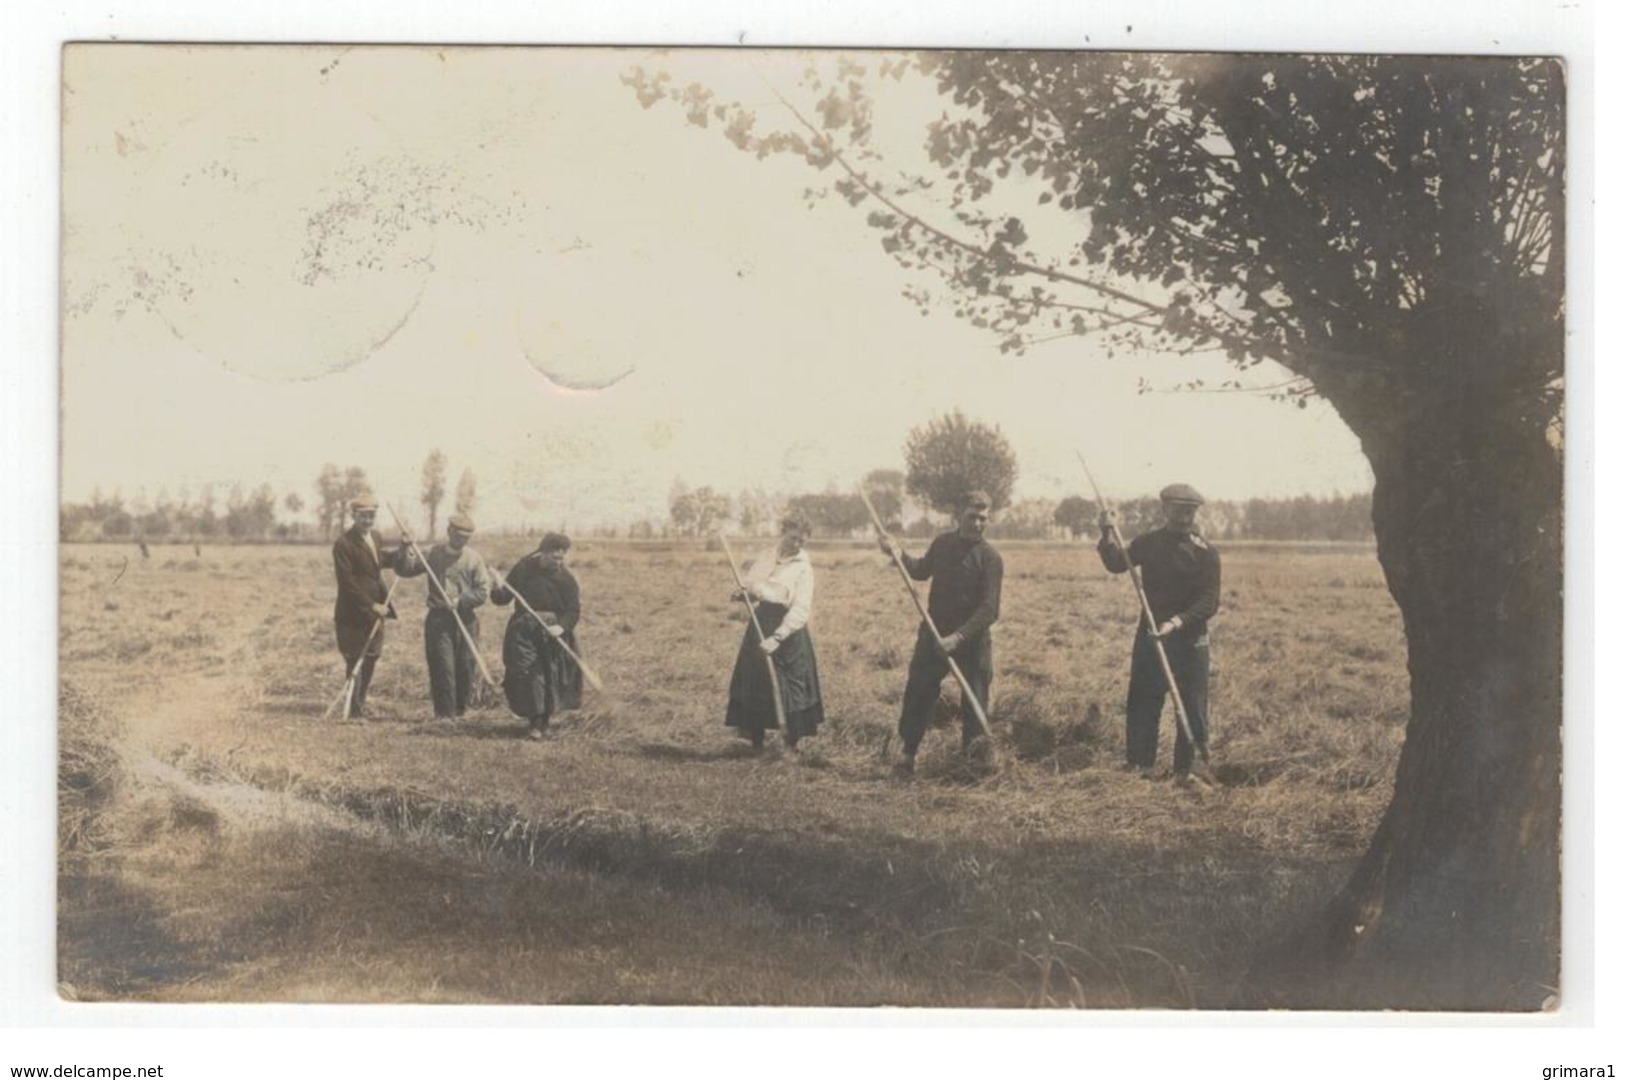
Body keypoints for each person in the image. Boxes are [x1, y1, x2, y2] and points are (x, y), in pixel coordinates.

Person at [1097, 483, 1221, 784]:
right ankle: (1140, 766)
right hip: (1151, 637)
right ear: (1164, 510)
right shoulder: (1148, 543)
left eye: (1190, 512)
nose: (1184, 518)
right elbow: (1117, 563)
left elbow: (1209, 601)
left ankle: (1189, 770)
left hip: (1190, 640)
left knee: (1192, 706)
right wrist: (1106, 533)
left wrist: (1177, 622)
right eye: (1178, 511)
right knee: (1143, 702)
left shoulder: (1205, 553)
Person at [879, 491, 1003, 775]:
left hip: (972, 641)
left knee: (975, 702)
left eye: (983, 518)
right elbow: (921, 571)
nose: (977, 523)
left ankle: (973, 764)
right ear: (960, 515)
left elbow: (989, 609)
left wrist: (958, 638)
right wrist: (897, 553)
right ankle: (907, 756)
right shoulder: (943, 544)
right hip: (934, 635)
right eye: (972, 516)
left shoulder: (990, 558)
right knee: (918, 693)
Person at [725, 511, 824, 751]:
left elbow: (800, 609)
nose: (797, 544)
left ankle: (791, 745)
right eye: (793, 538)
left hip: (788, 629)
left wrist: (778, 637)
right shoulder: (767, 556)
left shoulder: (803, 568)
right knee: (756, 680)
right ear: (783, 533)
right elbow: (755, 588)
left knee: (791, 686)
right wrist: (744, 595)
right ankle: (755, 742)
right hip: (761, 622)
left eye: (802, 541)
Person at [396, 512, 492, 722]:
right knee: (443, 666)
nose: (462, 540)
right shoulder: (432, 554)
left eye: (466, 537)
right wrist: (405, 548)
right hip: (439, 620)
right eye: (458, 535)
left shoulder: (474, 559)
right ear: (449, 532)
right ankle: (444, 716)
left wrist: (460, 601)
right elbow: (405, 570)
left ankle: (460, 712)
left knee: (465, 666)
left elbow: (483, 592)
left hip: (466, 620)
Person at [493, 532, 584, 739]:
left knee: (550, 674)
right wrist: (496, 589)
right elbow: (504, 597)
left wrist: (561, 627)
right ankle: (535, 722)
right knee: (528, 673)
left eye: (562, 558)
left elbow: (573, 611)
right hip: (523, 631)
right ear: (543, 552)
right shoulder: (524, 569)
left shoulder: (566, 579)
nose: (558, 562)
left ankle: (544, 721)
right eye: (554, 557)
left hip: (553, 633)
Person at [330, 493, 402, 719]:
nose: (368, 521)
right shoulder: (343, 544)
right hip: (353, 613)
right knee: (354, 659)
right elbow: (348, 584)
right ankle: (353, 710)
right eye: (363, 516)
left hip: (376, 611)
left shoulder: (376, 537)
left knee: (371, 656)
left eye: (371, 516)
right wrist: (371, 606)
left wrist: (403, 549)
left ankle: (359, 704)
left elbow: (382, 562)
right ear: (353, 516)